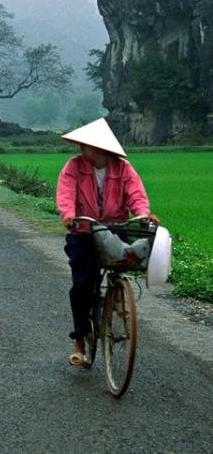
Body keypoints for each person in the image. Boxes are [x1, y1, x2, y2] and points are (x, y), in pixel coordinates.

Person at [56, 118, 159, 366]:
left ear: (100, 149)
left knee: (123, 260)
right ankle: (79, 339)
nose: (81, 149)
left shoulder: (123, 168)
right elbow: (66, 193)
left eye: (86, 145)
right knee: (82, 284)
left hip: (114, 229)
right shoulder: (74, 166)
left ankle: (117, 295)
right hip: (83, 230)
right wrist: (68, 215)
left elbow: (136, 195)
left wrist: (143, 214)